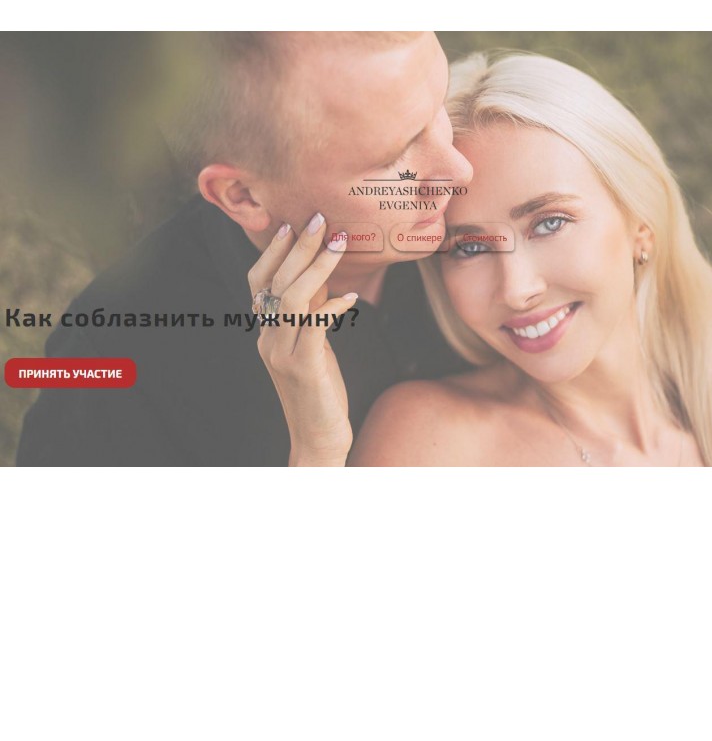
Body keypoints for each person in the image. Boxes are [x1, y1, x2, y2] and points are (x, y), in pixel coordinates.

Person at [264, 50, 712, 466]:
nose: (517, 290)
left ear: (641, 224)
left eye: (549, 223)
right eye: (469, 247)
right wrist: (317, 451)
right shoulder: (432, 438)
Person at [16, 32, 472, 466]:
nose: (459, 172)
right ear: (243, 196)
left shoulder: (497, 187)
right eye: (393, 158)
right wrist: (316, 454)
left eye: (438, 106)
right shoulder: (112, 361)